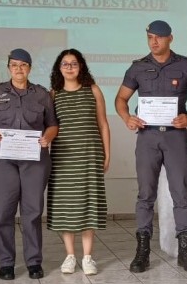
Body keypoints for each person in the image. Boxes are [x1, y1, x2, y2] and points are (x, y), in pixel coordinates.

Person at [115, 20, 187, 274]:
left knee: (181, 193)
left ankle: (185, 251)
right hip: (147, 137)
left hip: (175, 137)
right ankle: (143, 250)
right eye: (150, 37)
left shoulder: (186, 66)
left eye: (158, 37)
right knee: (145, 194)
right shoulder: (138, 67)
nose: (153, 41)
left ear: (170, 38)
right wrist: (127, 118)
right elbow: (121, 98)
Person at [0, 48, 58, 280]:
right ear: (8, 68)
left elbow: (52, 124)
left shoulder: (41, 94)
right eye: (14, 65)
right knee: (3, 212)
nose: (19, 69)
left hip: (34, 160)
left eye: (23, 65)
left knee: (32, 212)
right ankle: (6, 263)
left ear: (30, 68)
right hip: (2, 160)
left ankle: (34, 262)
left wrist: (48, 137)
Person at [47, 49, 110, 276]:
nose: (70, 67)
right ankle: (70, 256)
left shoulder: (92, 90)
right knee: (66, 206)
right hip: (63, 159)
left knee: (88, 204)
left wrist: (107, 154)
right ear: (59, 67)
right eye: (65, 63)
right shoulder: (53, 94)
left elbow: (103, 124)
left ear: (81, 66)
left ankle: (88, 257)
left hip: (90, 155)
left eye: (74, 63)